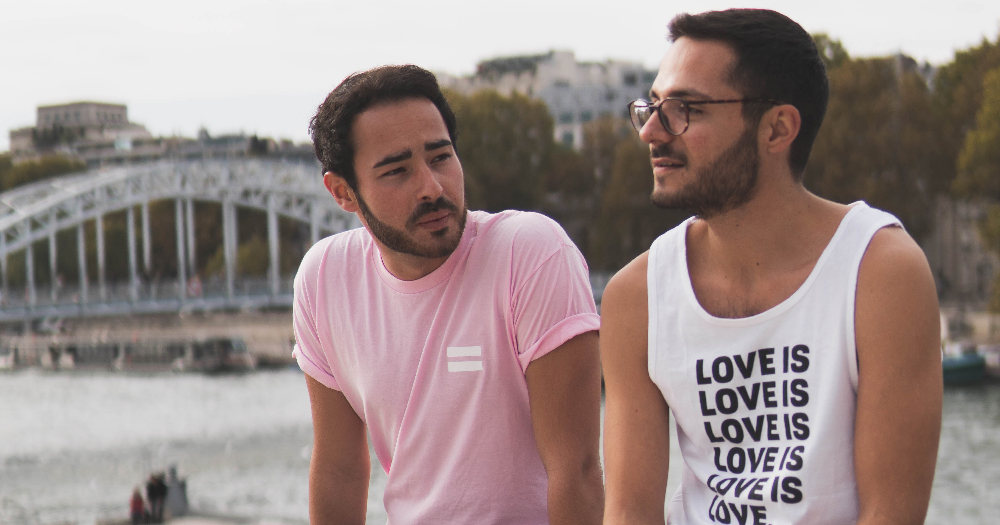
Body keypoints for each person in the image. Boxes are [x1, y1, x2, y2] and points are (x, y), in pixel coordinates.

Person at [601, 9, 942, 525]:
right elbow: (628, 513)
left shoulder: (880, 272)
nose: (651, 130)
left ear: (778, 128)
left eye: (685, 108)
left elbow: (892, 513)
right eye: (651, 106)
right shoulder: (638, 295)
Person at [295, 64, 604, 524]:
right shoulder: (324, 278)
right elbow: (339, 471)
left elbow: (576, 471)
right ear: (343, 192)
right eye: (397, 171)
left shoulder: (531, 252)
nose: (432, 187)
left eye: (440, 157)